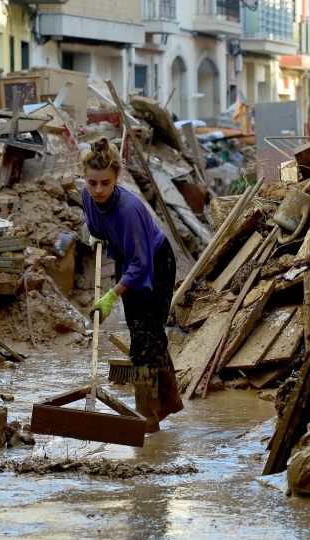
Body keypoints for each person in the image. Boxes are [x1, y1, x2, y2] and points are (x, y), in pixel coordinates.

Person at [81, 137, 183, 432]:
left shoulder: (129, 208)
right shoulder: (87, 196)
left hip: (156, 262)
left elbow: (141, 265)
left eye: (105, 183)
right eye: (92, 183)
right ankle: (168, 402)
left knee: (145, 340)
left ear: (116, 179)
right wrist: (95, 233)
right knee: (142, 333)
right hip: (130, 258)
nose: (98, 189)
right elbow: (94, 223)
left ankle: (147, 419)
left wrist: (112, 295)